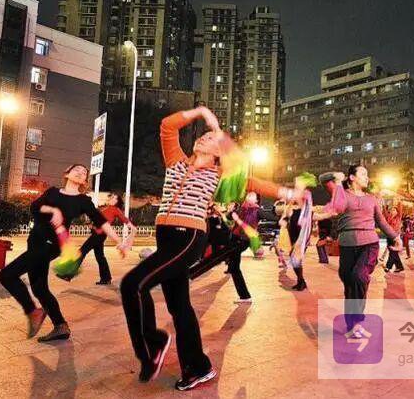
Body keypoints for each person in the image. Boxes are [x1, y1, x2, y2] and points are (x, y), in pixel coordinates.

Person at [119, 107, 301, 390]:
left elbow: (251, 182)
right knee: (179, 306)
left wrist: (287, 192)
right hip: (165, 236)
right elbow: (167, 126)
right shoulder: (176, 161)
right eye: (202, 136)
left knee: (133, 284)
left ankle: (154, 344)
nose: (203, 138)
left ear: (220, 153)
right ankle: (198, 367)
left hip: (188, 237)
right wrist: (200, 111)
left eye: (211, 139)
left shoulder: (219, 176)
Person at [0, 164, 127, 342]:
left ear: (84, 181)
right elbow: (34, 207)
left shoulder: (83, 201)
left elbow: (101, 221)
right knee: (39, 288)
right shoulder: (52, 192)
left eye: (84, 173)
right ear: (67, 173)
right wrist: (53, 210)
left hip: (51, 245)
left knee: (6, 275)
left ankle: (33, 312)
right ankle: (60, 326)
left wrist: (119, 241)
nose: (81, 173)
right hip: (35, 242)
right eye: (77, 170)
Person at [326, 166, 402, 334]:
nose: (367, 177)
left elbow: (381, 221)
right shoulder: (342, 194)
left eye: (367, 174)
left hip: (369, 244)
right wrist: (336, 176)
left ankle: (357, 321)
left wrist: (395, 237)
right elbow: (323, 179)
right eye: (363, 174)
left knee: (358, 276)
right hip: (347, 245)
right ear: (352, 177)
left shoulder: (371, 199)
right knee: (349, 283)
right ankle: (351, 324)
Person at [72, 192, 136, 284]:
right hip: (98, 234)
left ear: (117, 201)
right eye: (111, 197)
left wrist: (132, 227)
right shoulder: (105, 208)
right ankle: (106, 278)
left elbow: (124, 219)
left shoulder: (115, 209)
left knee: (82, 251)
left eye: (114, 198)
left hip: (99, 235)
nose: (111, 198)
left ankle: (69, 272)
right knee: (100, 257)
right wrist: (92, 225)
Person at [228, 191, 261, 303]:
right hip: (234, 238)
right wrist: (231, 211)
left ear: (256, 200)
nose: (249, 197)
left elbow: (271, 216)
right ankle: (244, 296)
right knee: (234, 268)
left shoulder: (257, 211)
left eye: (253, 196)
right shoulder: (242, 208)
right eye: (248, 195)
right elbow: (230, 217)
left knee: (234, 268)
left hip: (242, 240)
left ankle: (245, 296)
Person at [383, 198, 405, 273]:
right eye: (392, 210)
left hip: (395, 237)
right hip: (389, 236)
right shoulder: (388, 217)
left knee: (392, 252)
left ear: (397, 212)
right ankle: (400, 267)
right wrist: (384, 205)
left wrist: (399, 202)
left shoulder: (398, 217)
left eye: (394, 210)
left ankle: (388, 267)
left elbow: (400, 210)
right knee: (393, 252)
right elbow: (385, 212)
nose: (392, 211)